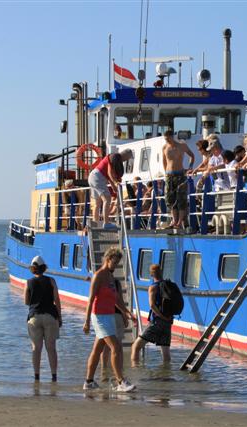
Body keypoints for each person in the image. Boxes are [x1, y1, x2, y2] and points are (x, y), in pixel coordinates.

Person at [82, 247, 135, 392]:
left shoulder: (111, 277)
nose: (116, 265)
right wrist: (86, 322)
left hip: (109, 315)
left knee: (97, 349)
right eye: (114, 262)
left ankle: (89, 381)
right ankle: (120, 382)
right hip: (99, 316)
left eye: (118, 263)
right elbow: (90, 300)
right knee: (116, 347)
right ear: (107, 259)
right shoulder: (98, 276)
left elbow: (117, 299)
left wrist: (127, 313)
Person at [25, 255, 61, 382]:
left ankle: (36, 376)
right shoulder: (51, 281)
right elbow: (57, 300)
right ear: (44, 268)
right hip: (50, 316)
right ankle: (54, 376)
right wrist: (60, 318)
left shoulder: (29, 282)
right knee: (51, 348)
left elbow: (26, 301)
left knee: (36, 348)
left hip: (34, 317)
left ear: (33, 268)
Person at [131, 264, 172, 365]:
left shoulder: (153, 287)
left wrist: (161, 317)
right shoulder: (169, 285)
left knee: (136, 347)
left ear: (151, 275)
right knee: (165, 351)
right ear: (161, 272)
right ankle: (166, 374)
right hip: (168, 322)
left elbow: (152, 306)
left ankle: (135, 370)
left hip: (157, 322)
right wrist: (167, 318)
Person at [87, 149, 133, 229]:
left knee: (97, 203)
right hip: (98, 177)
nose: (127, 159)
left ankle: (95, 223)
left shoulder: (114, 158)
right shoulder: (115, 157)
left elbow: (108, 176)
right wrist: (115, 182)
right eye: (128, 157)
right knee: (107, 199)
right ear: (126, 155)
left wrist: (113, 186)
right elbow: (109, 173)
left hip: (92, 176)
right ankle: (106, 223)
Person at [162, 129, 195, 229]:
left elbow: (192, 156)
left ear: (172, 137)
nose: (167, 141)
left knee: (181, 198)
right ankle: (174, 220)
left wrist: (190, 167)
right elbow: (164, 161)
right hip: (169, 175)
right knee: (170, 198)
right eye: (165, 139)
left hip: (180, 174)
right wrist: (166, 172)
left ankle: (180, 222)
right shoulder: (165, 147)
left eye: (168, 139)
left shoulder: (182, 145)